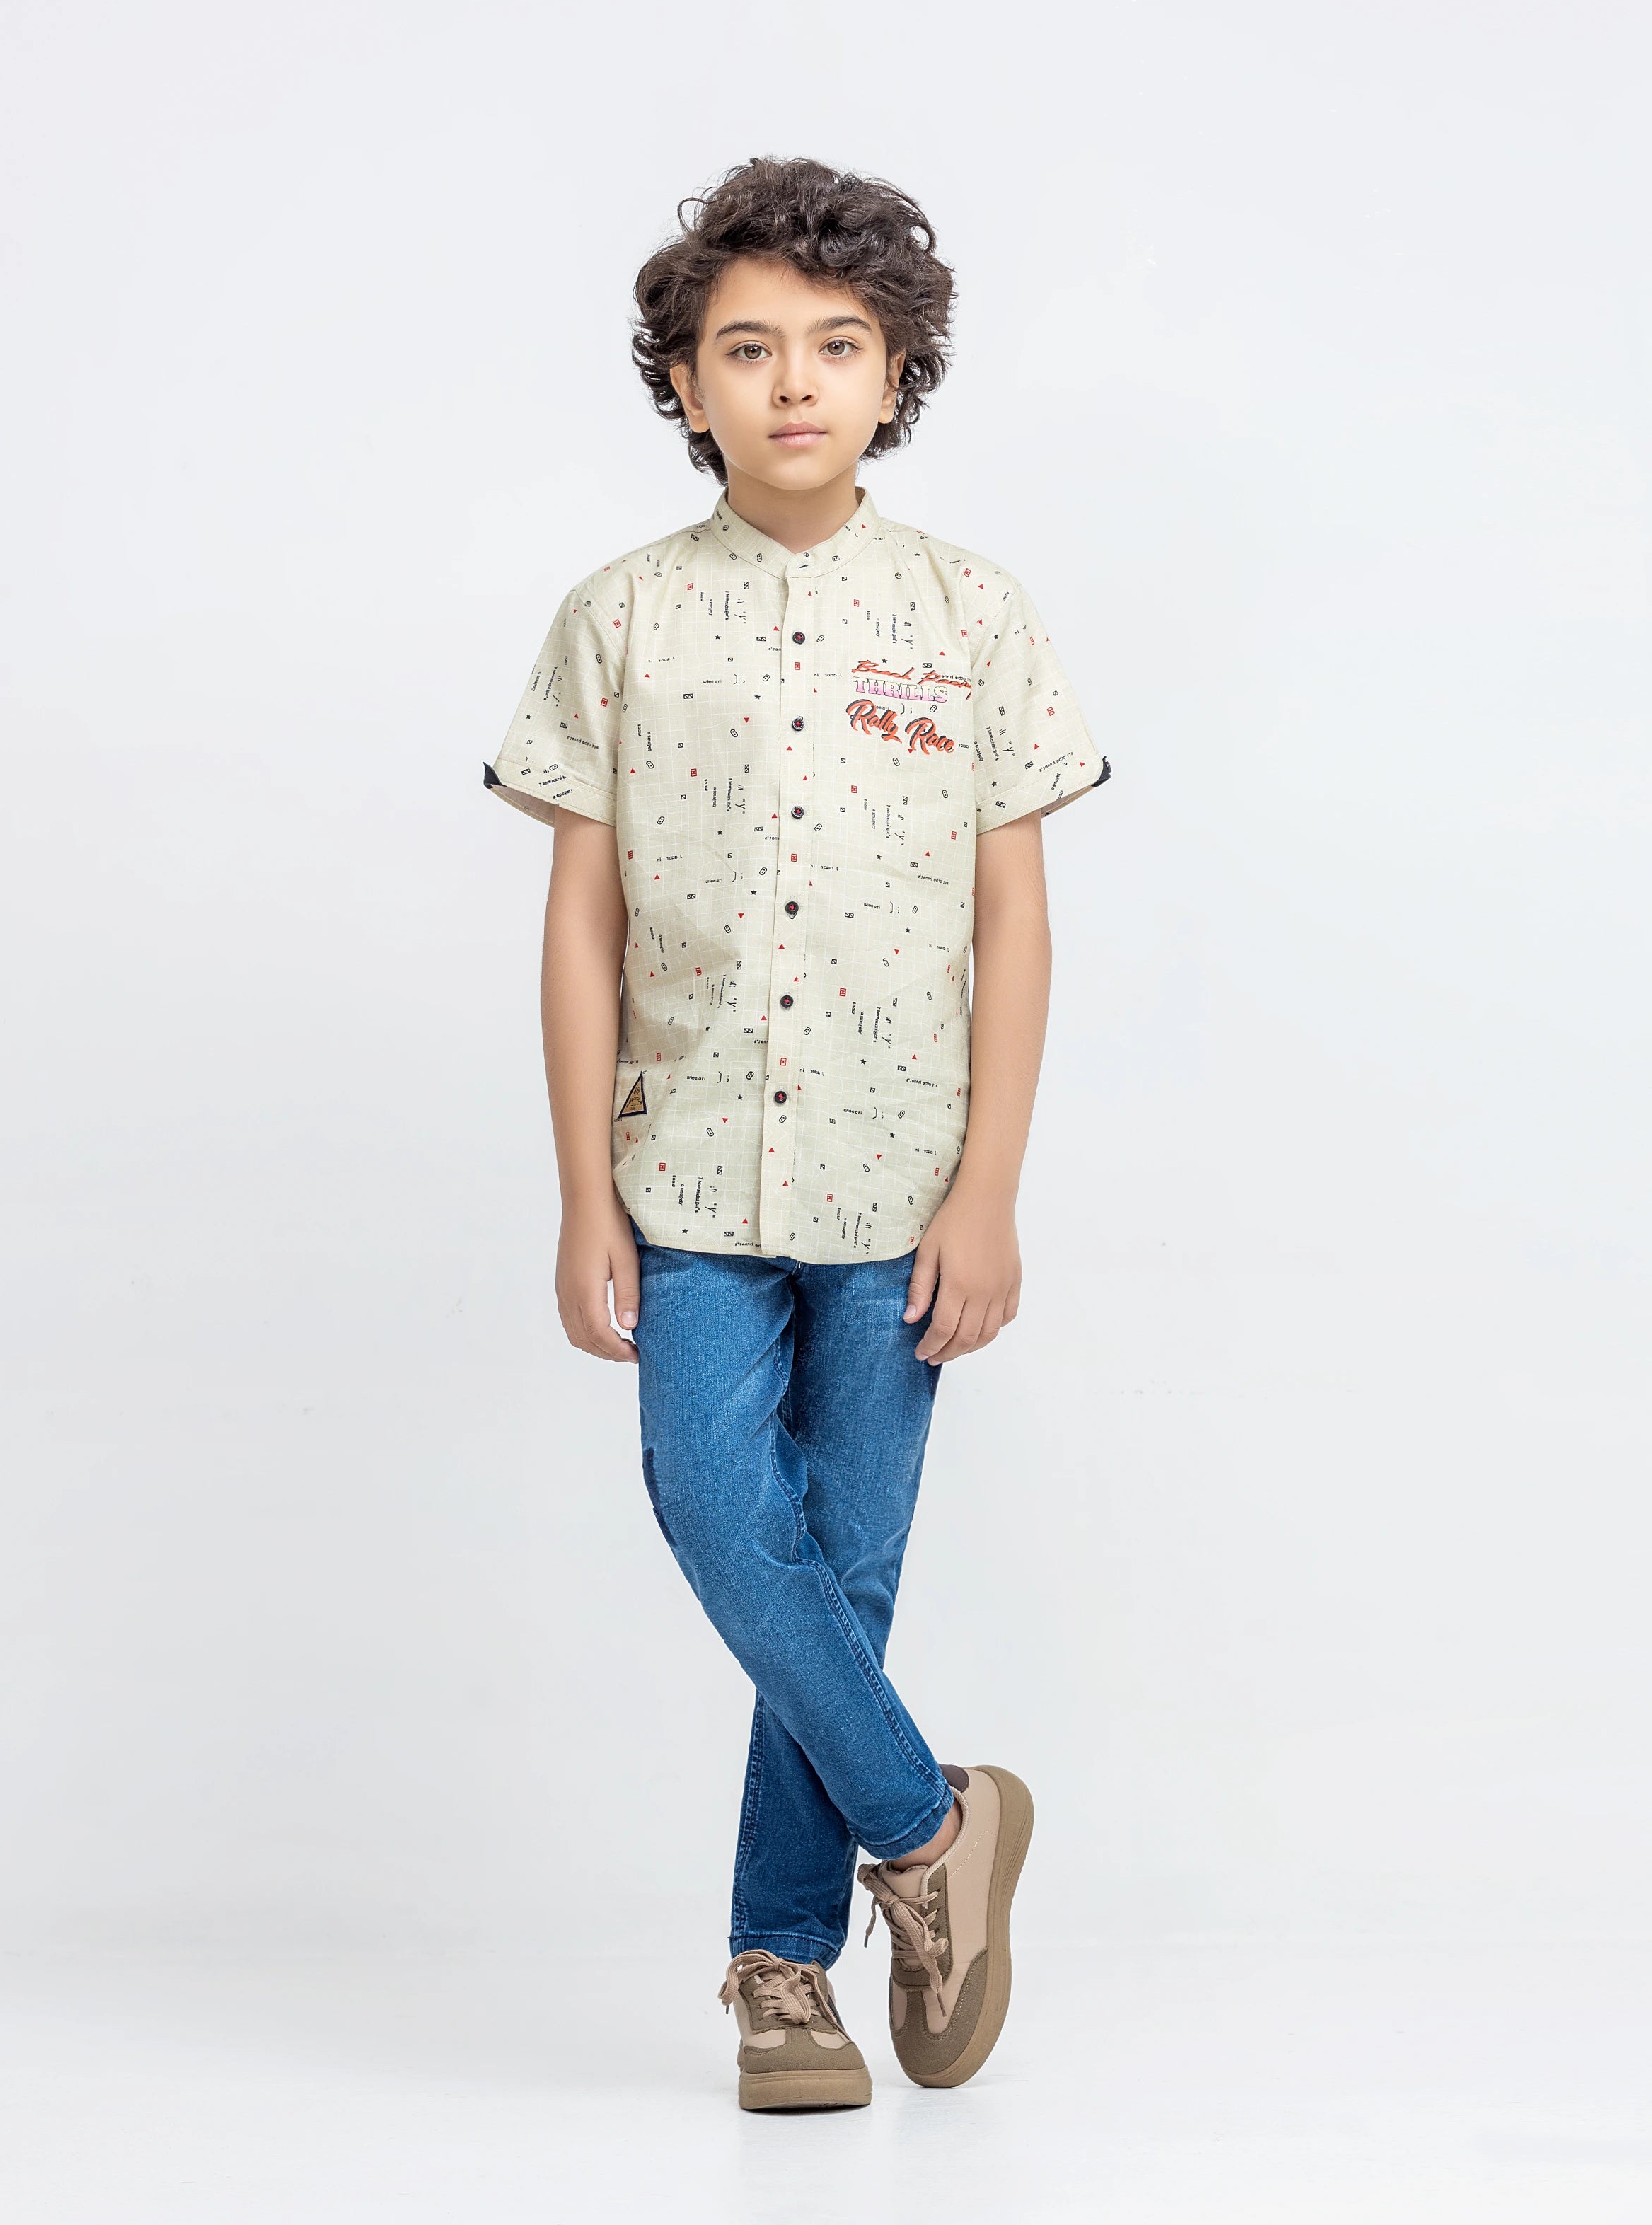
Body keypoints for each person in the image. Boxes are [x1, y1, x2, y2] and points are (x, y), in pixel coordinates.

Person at [483, 156, 1109, 2110]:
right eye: (746, 350)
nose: (794, 383)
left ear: (896, 372)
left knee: (842, 1568)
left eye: (837, 346)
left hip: (902, 1182)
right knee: (717, 1513)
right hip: (680, 1176)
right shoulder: (618, 618)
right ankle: (931, 1830)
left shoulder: (971, 613)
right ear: (685, 385)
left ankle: (782, 1971)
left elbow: (1016, 923)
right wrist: (580, 1192)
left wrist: (991, 1189)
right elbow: (580, 923)